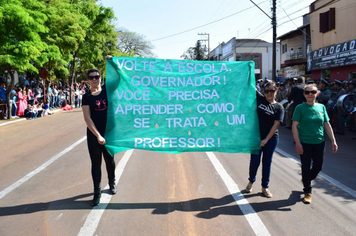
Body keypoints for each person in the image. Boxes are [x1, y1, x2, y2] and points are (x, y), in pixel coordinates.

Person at [291, 84, 338, 204]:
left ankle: (306, 179)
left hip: (319, 142)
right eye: (307, 92)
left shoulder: (321, 107)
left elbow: (327, 124)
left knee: (318, 166)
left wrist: (333, 140)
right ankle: (307, 191)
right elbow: (294, 126)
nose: (310, 94)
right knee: (305, 167)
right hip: (305, 142)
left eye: (313, 92)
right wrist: (298, 143)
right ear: (304, 95)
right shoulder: (300, 108)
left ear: (317, 93)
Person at [82, 68, 116, 206]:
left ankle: (112, 183)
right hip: (94, 134)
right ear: (88, 80)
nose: (95, 79)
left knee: (110, 160)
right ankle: (97, 192)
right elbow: (87, 118)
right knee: (96, 164)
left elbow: (119, 78)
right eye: (91, 77)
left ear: (100, 77)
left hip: (109, 132)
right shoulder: (87, 97)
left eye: (97, 76)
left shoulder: (107, 91)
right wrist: (98, 135)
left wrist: (112, 62)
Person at [245, 81, 284, 198]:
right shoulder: (260, 99)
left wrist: (266, 139)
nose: (269, 93)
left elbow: (276, 125)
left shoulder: (279, 107)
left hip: (271, 139)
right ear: (263, 92)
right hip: (256, 137)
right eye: (267, 91)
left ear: (276, 91)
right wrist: (249, 67)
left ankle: (264, 187)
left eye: (272, 91)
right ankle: (251, 181)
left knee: (267, 163)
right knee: (254, 162)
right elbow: (250, 85)